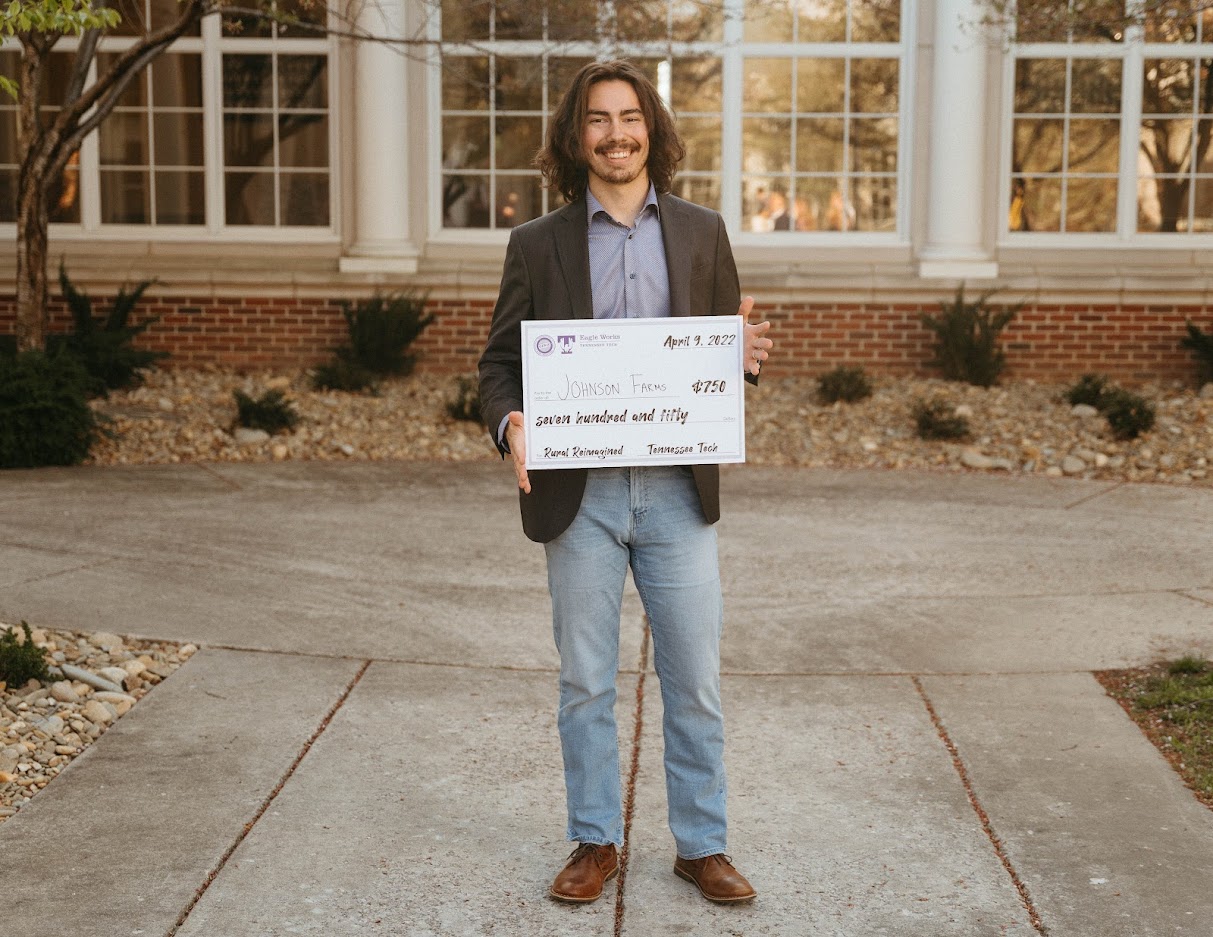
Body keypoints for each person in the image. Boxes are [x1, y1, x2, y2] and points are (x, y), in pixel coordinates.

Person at [478, 60, 772, 906]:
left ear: (653, 129)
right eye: (598, 120)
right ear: (576, 139)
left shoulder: (701, 231)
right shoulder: (535, 244)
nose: (616, 133)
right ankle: (595, 840)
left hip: (678, 493)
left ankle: (701, 844)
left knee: (694, 677)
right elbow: (499, 367)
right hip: (581, 496)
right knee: (584, 679)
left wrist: (741, 360)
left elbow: (716, 358)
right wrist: (512, 423)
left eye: (630, 117)